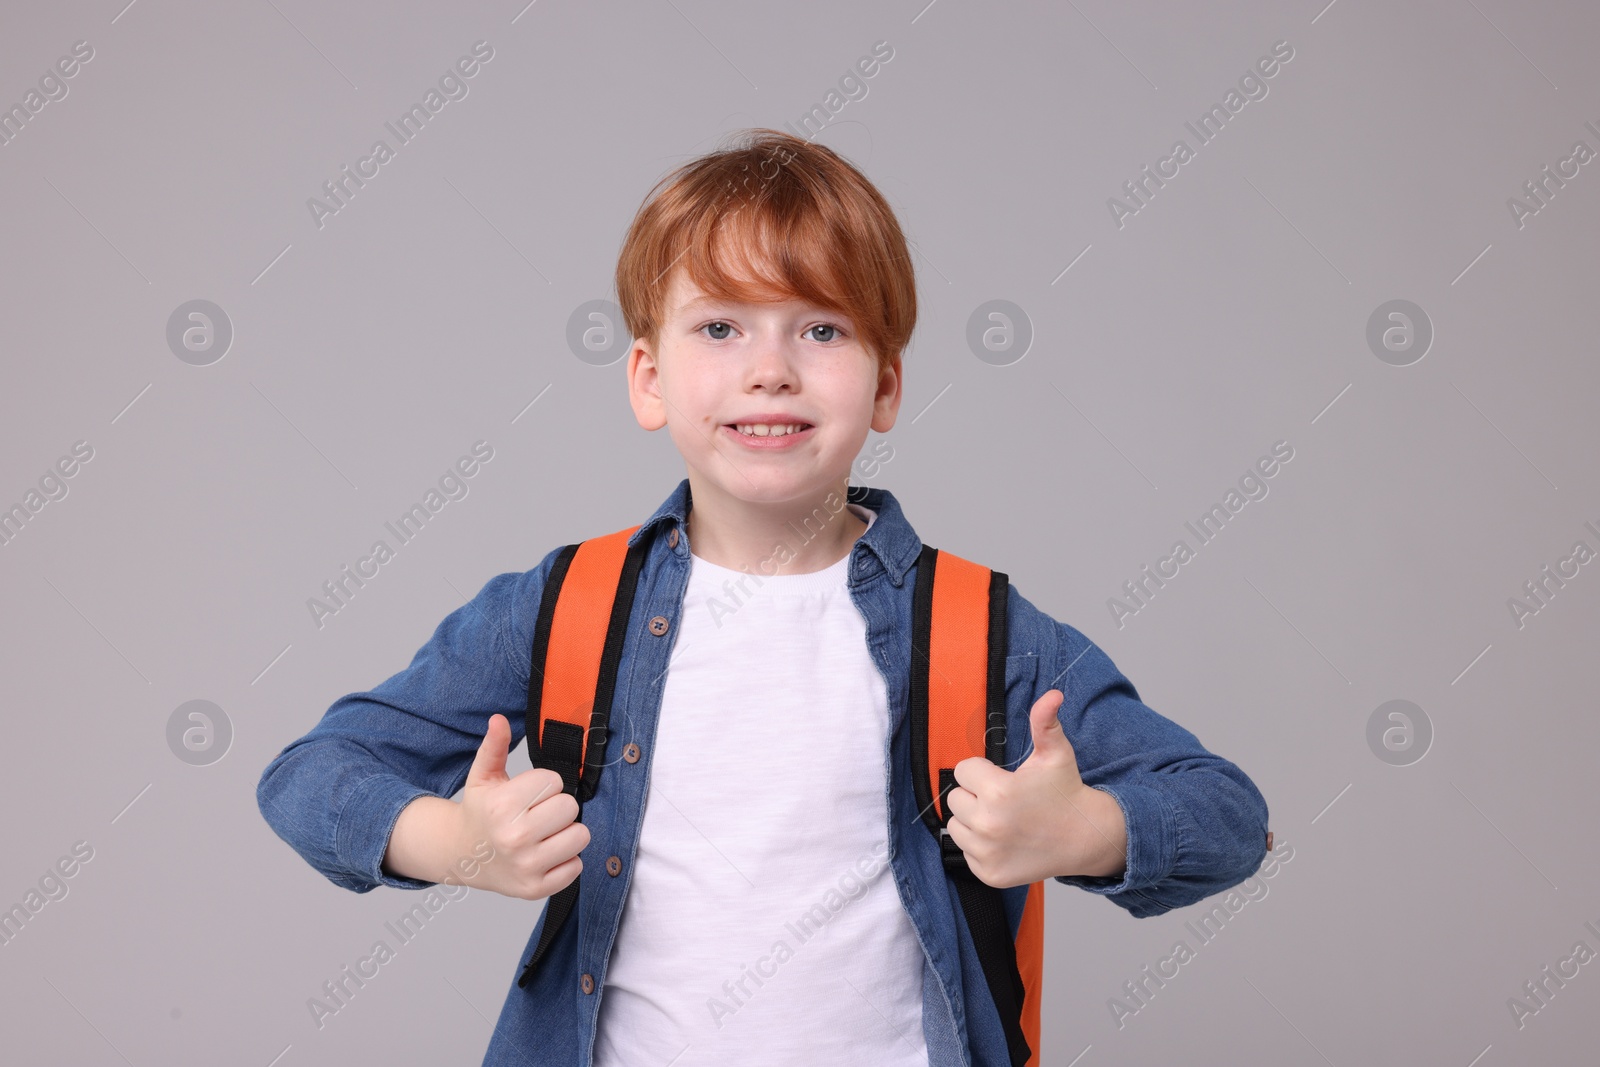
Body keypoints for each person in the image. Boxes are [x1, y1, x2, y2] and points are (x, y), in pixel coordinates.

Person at [256, 128, 1269, 1067]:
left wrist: (1087, 831)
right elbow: (310, 775)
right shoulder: (568, 605)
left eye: (821, 328)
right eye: (721, 327)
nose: (771, 370)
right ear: (649, 378)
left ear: (883, 386)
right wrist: (446, 841)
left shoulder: (978, 628)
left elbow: (1228, 814)